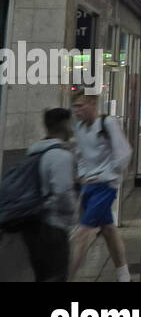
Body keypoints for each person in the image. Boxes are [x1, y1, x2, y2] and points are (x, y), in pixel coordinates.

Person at [68, 90, 133, 282]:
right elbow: (80, 154)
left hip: (105, 186)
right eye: (75, 107)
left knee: (83, 233)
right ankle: (124, 274)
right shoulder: (79, 128)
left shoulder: (108, 123)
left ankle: (66, 278)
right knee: (108, 229)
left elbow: (124, 153)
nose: (76, 111)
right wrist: (82, 175)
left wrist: (108, 174)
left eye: (80, 106)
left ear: (92, 104)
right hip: (89, 186)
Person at [18, 108, 78, 282]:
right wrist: (73, 213)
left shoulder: (34, 151)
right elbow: (63, 192)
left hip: (32, 227)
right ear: (65, 124)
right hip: (53, 227)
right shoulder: (60, 156)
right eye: (71, 123)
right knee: (56, 276)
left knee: (42, 276)